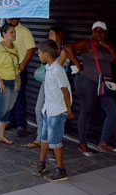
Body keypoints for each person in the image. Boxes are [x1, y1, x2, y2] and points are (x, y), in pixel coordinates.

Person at [65, 21, 116, 154]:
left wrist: (109, 48)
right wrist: (78, 65)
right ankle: (82, 143)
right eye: (96, 30)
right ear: (92, 32)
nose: (99, 33)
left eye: (101, 31)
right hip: (87, 80)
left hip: (104, 84)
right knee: (87, 110)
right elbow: (68, 47)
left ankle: (103, 142)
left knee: (115, 111)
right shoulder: (87, 44)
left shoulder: (108, 45)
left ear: (106, 32)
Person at [32, 40, 74, 182]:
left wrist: (69, 111)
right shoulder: (49, 68)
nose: (38, 54)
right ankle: (41, 163)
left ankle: (61, 170)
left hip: (57, 111)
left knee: (55, 142)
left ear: (46, 54)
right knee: (44, 138)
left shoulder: (57, 70)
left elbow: (66, 92)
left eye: (39, 52)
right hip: (48, 110)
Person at [27, 27, 70, 148]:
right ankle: (41, 137)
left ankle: (50, 139)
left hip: (56, 87)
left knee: (53, 114)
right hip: (46, 84)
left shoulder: (63, 51)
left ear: (59, 35)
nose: (48, 36)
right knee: (39, 109)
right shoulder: (47, 51)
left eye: (51, 34)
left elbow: (58, 66)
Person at [0, 18, 36, 136]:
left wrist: (23, 65)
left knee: (19, 96)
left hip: (18, 70)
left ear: (19, 17)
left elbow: (31, 49)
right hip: (6, 70)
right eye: (10, 16)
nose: (12, 19)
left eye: (15, 16)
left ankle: (21, 124)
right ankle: (11, 120)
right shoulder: (3, 31)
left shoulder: (25, 32)